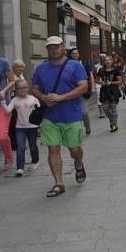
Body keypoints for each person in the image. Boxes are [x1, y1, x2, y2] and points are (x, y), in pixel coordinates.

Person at [31, 36, 89, 197]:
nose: (53, 50)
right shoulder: (41, 68)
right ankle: (59, 183)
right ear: (47, 50)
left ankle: (78, 163)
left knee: (74, 149)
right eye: (50, 48)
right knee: (53, 148)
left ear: (63, 47)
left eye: (56, 47)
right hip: (50, 117)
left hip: (72, 115)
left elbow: (83, 87)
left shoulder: (75, 66)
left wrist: (60, 97)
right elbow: (34, 88)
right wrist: (44, 98)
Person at [1, 79, 40, 176]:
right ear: (16, 90)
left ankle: (35, 161)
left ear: (28, 88)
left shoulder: (33, 99)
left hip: (32, 127)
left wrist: (40, 125)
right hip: (20, 127)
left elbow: (39, 112)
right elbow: (7, 111)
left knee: (33, 146)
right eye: (20, 88)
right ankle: (20, 168)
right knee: (20, 147)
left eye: (25, 87)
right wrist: (2, 100)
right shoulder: (15, 100)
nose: (23, 90)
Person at [0, 40, 15, 168]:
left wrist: (4, 90)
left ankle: (8, 155)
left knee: (1, 136)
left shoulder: (3, 62)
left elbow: (12, 81)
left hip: (2, 104)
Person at [3, 58, 26, 154]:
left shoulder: (20, 75)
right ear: (13, 68)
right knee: (14, 123)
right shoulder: (11, 77)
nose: (21, 69)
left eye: (22, 67)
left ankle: (20, 143)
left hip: (21, 101)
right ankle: (14, 144)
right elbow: (9, 89)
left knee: (20, 121)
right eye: (18, 67)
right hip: (13, 100)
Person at [69, 48, 94, 135]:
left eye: (76, 53)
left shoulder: (84, 64)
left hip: (82, 91)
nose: (75, 55)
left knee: (84, 111)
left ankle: (87, 126)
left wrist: (92, 87)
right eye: (73, 53)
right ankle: (77, 129)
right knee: (74, 112)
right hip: (71, 92)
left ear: (79, 54)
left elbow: (90, 76)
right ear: (71, 55)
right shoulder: (67, 65)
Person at [96, 55, 122, 132]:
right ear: (104, 62)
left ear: (112, 61)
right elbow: (96, 80)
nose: (107, 61)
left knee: (113, 108)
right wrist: (102, 82)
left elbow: (120, 81)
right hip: (104, 91)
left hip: (113, 91)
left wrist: (111, 83)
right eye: (106, 60)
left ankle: (114, 125)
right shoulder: (101, 70)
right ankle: (112, 120)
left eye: (109, 60)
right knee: (105, 108)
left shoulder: (115, 70)